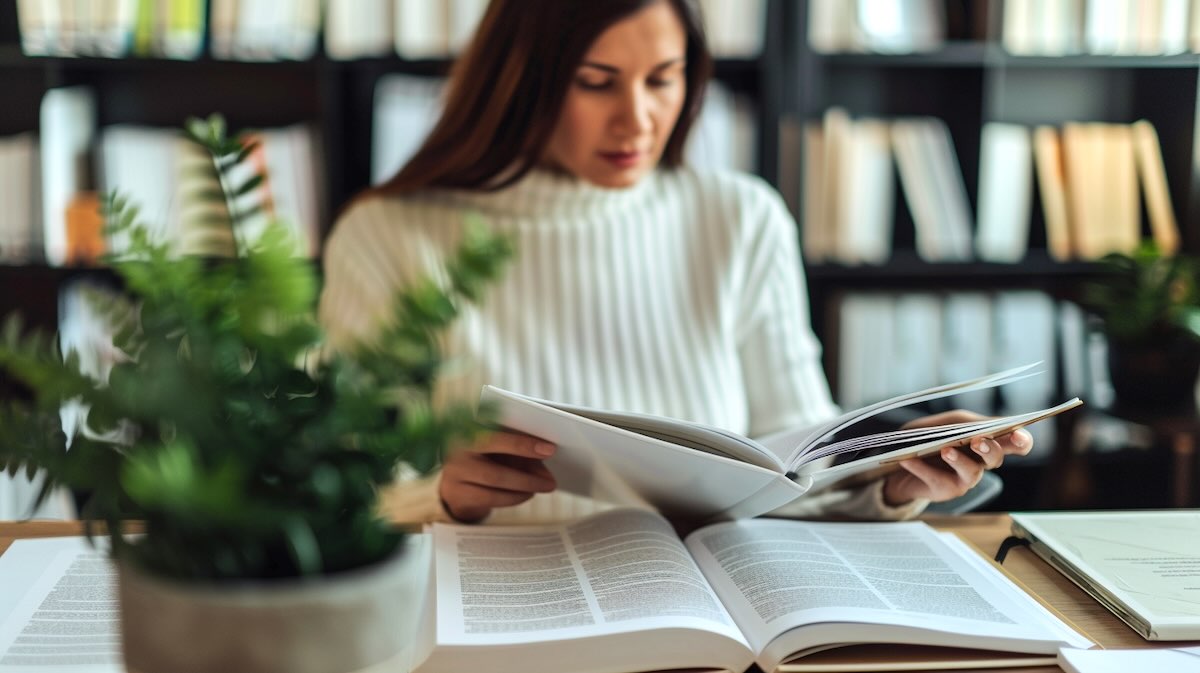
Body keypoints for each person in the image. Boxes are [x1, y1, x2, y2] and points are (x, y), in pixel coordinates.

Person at [318, 0, 1032, 525]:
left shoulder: (738, 218)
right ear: (519, 84)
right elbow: (330, 496)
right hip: (500, 623)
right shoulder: (390, 237)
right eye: (596, 82)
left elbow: (796, 464)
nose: (637, 120)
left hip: (713, 625)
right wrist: (439, 493)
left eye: (664, 79)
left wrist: (896, 476)